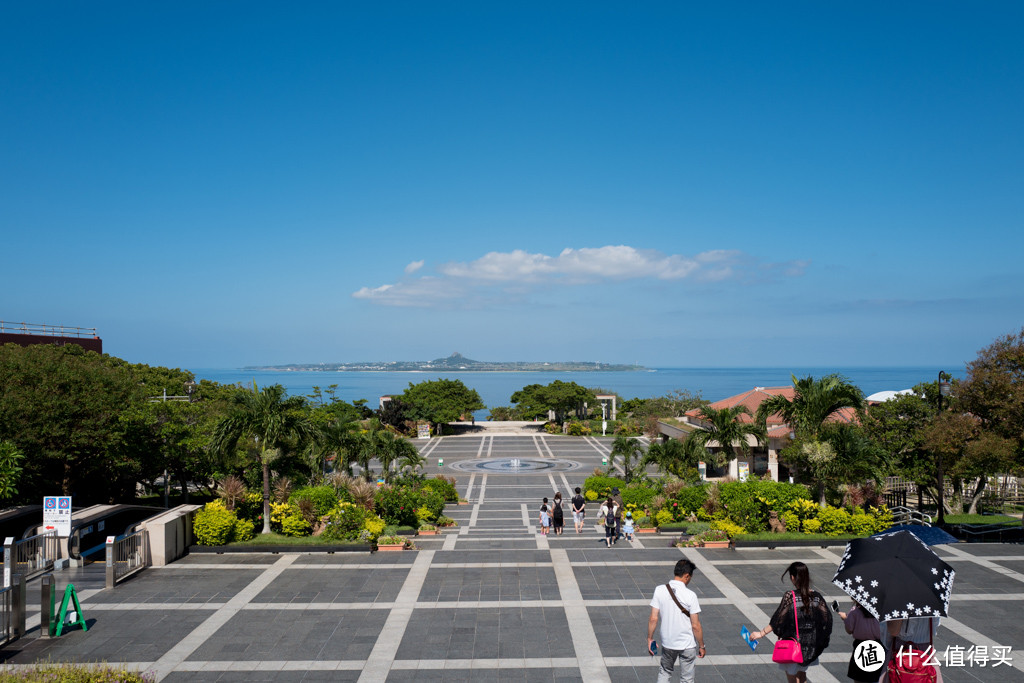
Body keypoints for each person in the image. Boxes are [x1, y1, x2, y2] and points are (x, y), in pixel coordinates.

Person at [749, 561, 833, 683]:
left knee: (792, 676)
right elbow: (826, 619)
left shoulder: (790, 596)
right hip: (809, 645)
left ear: (793, 578)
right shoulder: (816, 597)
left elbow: (778, 620)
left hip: (793, 644)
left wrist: (761, 634)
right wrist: (818, 637)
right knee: (802, 673)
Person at [647, 558, 705, 683]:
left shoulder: (660, 590)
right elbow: (695, 625)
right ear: (687, 576)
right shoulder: (691, 595)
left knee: (665, 672)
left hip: (668, 642)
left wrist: (650, 638)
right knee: (687, 679)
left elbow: (653, 618)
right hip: (687, 644)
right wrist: (702, 646)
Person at [882, 616, 943, 683]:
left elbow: (893, 631)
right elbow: (934, 625)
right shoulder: (934, 606)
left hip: (900, 650)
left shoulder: (900, 605)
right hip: (925, 650)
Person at [837, 600, 882, 682]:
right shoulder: (880, 611)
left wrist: (845, 619)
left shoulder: (855, 611)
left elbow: (849, 630)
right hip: (877, 645)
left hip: (860, 645)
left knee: (858, 678)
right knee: (874, 677)